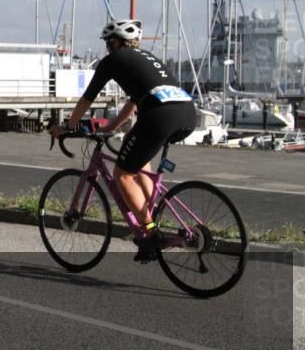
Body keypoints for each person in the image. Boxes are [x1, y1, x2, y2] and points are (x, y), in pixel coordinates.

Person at [50, 20, 196, 262]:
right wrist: (112, 127)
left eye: (109, 43)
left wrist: (67, 126)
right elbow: (134, 102)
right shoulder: (146, 58)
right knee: (137, 155)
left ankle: (150, 232)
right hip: (187, 114)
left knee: (122, 174)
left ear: (116, 42)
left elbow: (87, 99)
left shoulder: (113, 61)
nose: (107, 48)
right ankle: (151, 215)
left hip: (160, 116)